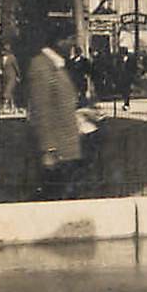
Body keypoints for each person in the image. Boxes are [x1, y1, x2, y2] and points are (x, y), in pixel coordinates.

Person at [27, 34, 85, 197]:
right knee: (55, 196)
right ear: (58, 41)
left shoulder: (56, 65)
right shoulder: (42, 66)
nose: (72, 43)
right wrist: (49, 148)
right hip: (57, 150)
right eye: (69, 38)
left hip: (66, 146)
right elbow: (41, 108)